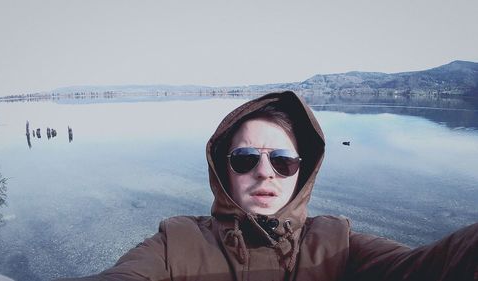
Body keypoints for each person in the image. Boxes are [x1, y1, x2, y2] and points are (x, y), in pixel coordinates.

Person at [58, 91, 477, 281]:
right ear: (223, 169)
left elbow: (434, 266)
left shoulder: (337, 242)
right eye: (245, 159)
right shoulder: (175, 242)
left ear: (302, 170)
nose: (265, 173)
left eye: (282, 160)